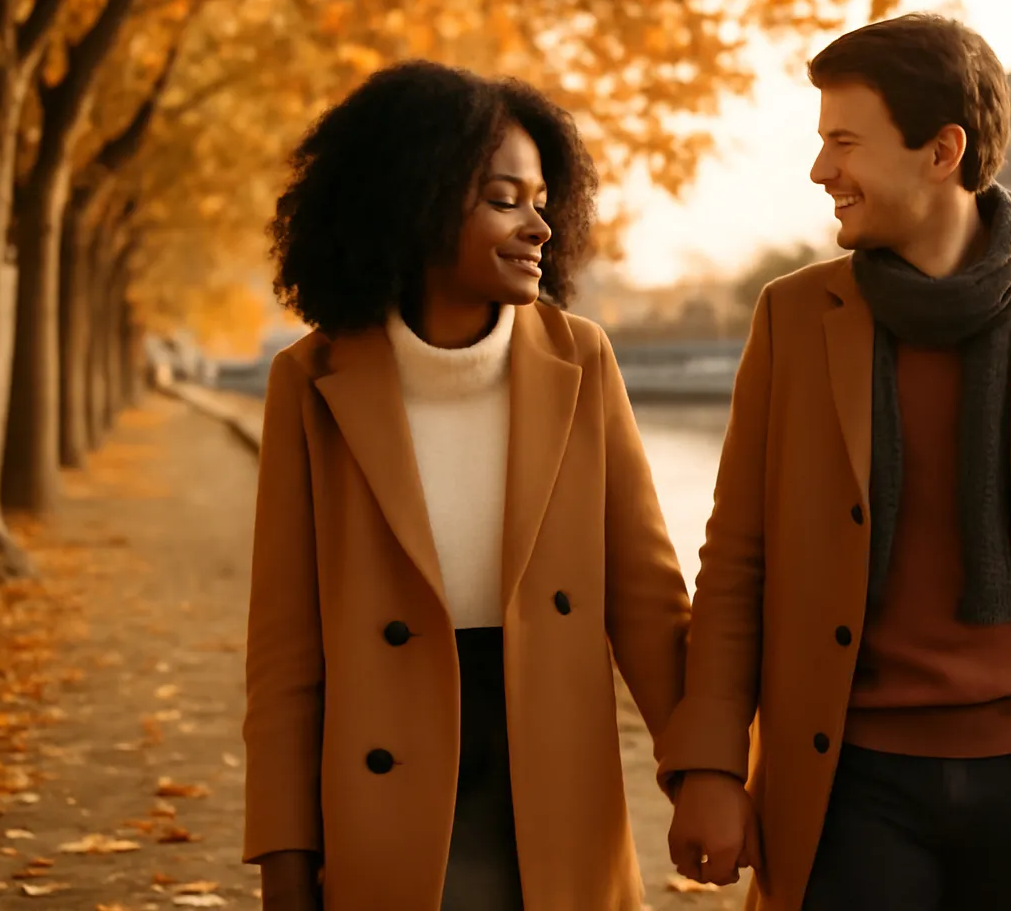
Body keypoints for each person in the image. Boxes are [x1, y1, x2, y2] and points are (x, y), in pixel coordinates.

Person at [660, 14, 1011, 911]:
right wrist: (712, 764)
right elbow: (736, 564)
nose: (820, 170)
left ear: (942, 151)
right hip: (845, 784)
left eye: (844, 142)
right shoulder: (792, 318)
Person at [243, 60, 690, 911]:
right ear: (413, 202)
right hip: (387, 779)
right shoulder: (309, 382)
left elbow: (649, 603)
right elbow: (285, 648)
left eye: (543, 202)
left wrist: (707, 772)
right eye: (503, 200)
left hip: (553, 767)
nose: (539, 228)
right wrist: (284, 851)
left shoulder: (583, 360)